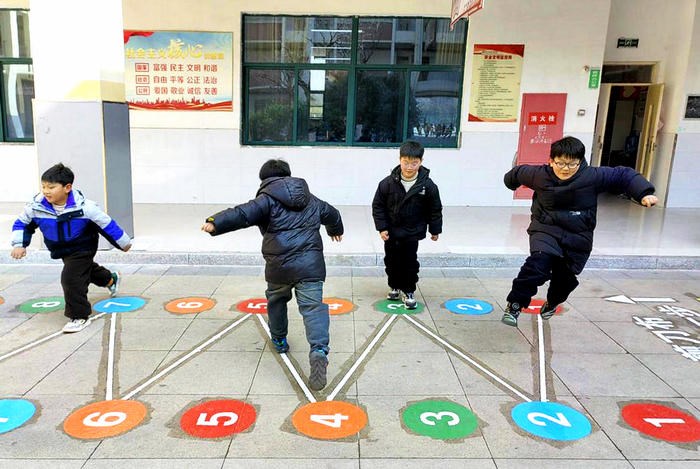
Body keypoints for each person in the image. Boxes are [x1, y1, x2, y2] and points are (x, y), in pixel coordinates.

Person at [201, 159, 343, 391]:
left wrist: (215, 222)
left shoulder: (266, 199)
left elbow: (242, 214)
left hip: (280, 266)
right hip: (310, 266)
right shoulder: (311, 199)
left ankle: (279, 339)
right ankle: (318, 350)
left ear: (265, 180)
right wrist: (335, 230)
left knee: (277, 300)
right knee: (313, 307)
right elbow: (333, 214)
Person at [501, 136, 658, 326]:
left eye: (572, 164)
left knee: (564, 280)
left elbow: (624, 175)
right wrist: (510, 182)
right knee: (537, 265)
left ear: (580, 161)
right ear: (551, 160)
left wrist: (644, 193)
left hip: (578, 235)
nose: (565, 168)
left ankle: (553, 302)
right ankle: (515, 305)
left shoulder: (592, 176)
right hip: (546, 229)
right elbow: (517, 173)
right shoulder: (539, 175)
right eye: (560, 163)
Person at [10, 163, 132, 333]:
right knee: (84, 270)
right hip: (60, 248)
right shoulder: (36, 208)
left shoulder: (85, 208)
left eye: (51, 187)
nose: (46, 191)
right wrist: (19, 244)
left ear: (67, 187)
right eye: (43, 186)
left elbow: (107, 225)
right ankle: (110, 279)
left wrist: (124, 243)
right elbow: (21, 224)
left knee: (71, 278)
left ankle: (79, 316)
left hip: (83, 246)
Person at [372, 140, 443, 309]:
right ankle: (394, 286)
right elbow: (378, 206)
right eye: (406, 162)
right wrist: (382, 228)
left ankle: (409, 290)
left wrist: (435, 230)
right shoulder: (387, 183)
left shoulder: (427, 186)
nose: (409, 167)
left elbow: (435, 209)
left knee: (409, 262)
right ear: (400, 160)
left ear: (421, 162)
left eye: (414, 163)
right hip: (392, 232)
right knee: (391, 261)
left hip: (412, 232)